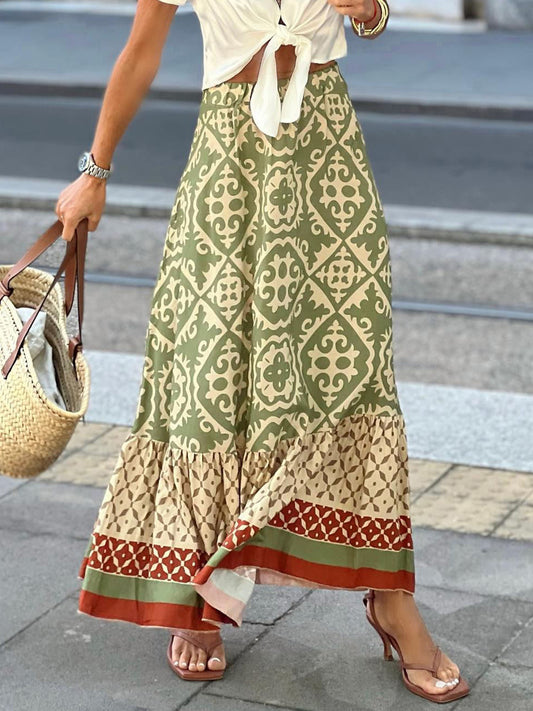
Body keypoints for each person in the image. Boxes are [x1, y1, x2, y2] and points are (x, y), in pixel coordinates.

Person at [56, 0, 469, 702]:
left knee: (351, 367)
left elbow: (373, 18)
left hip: (327, 160)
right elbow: (140, 50)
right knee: (215, 372)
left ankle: (387, 593)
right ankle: (199, 597)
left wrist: (371, 11)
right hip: (230, 160)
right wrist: (94, 170)